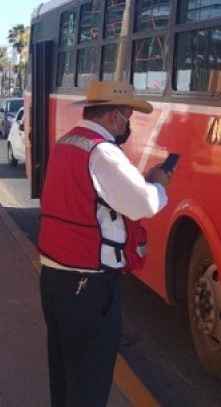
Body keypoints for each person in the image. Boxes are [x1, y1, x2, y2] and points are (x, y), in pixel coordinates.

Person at [37, 80, 173, 407]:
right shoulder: (103, 151)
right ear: (113, 116)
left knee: (66, 374)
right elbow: (144, 205)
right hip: (88, 285)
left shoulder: (68, 141)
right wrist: (159, 184)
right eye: (128, 117)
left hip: (55, 277)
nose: (129, 125)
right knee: (90, 382)